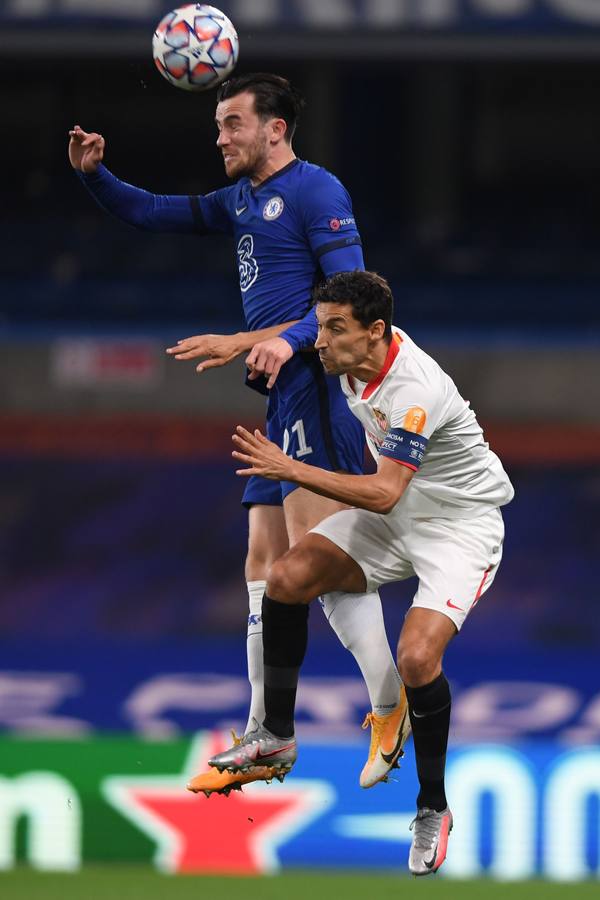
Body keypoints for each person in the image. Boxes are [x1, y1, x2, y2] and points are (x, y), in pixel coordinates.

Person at [68, 74, 409, 796]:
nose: (219, 136)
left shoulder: (317, 193)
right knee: (263, 559)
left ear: (274, 129)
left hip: (316, 390)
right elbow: (154, 211)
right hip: (280, 395)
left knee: (317, 568)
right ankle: (264, 730)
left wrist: (282, 342)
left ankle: (389, 702)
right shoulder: (241, 199)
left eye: (231, 123)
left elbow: (354, 300)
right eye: (218, 124)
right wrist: (98, 177)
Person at [209, 270, 514, 875]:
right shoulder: (347, 361)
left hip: (458, 527)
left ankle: (433, 807)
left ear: (376, 332)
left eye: (333, 329)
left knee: (418, 659)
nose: (319, 341)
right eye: (320, 326)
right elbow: (384, 494)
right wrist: (244, 348)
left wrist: (288, 467)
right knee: (288, 578)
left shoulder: (414, 388)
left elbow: (379, 491)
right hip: (400, 514)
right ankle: (274, 732)